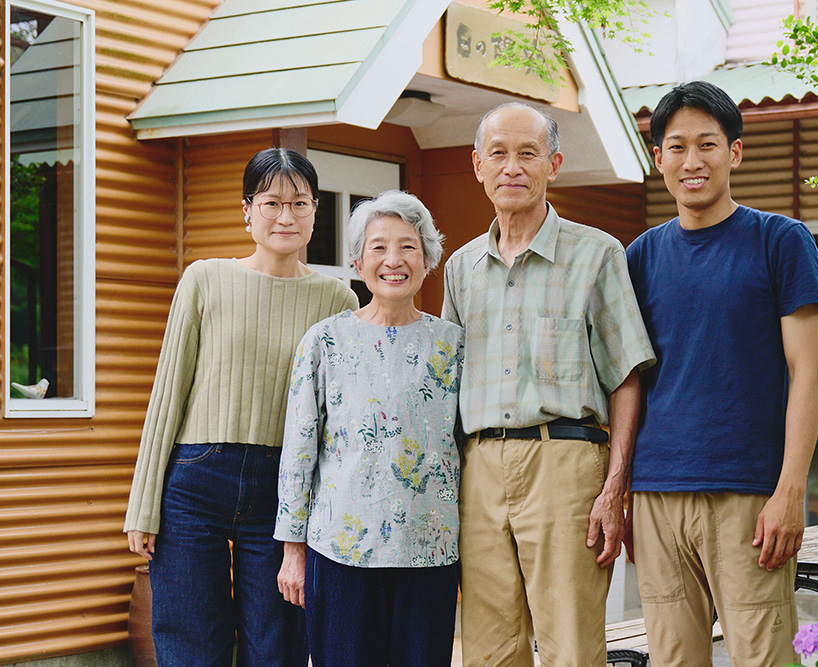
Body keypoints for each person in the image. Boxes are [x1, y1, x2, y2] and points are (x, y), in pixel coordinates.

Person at [123, 147, 359, 667]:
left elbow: (341, 419)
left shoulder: (339, 301)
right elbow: (168, 394)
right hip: (195, 480)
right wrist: (143, 505)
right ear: (247, 210)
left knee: (276, 644)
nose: (286, 216)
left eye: (300, 203)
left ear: (316, 211)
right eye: (272, 202)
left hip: (285, 487)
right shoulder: (204, 279)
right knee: (190, 642)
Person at [442, 102, 655, 667]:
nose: (512, 167)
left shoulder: (597, 254)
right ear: (477, 166)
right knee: (488, 649)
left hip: (566, 463)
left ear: (553, 164)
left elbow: (627, 378)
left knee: (571, 645)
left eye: (528, 154)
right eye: (498, 154)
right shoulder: (461, 268)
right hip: (479, 468)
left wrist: (614, 490)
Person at [624, 81, 818, 667]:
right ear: (658, 157)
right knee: (672, 659)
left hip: (749, 493)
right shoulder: (640, 258)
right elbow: (628, 383)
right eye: (677, 146)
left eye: (708, 144)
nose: (693, 162)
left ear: (734, 153)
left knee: (763, 657)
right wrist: (624, 493)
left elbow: (806, 372)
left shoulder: (780, 241)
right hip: (658, 494)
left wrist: (790, 491)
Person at [274, 190, 463, 667]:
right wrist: (292, 551)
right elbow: (298, 450)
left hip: (430, 554)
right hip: (341, 555)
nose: (393, 260)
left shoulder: (453, 346)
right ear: (358, 261)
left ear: (427, 260)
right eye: (379, 247)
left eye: (408, 246)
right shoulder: (325, 341)